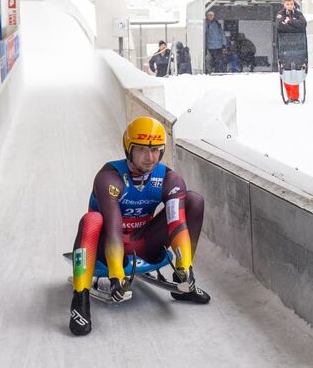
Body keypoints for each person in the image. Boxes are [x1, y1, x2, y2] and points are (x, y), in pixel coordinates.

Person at [69, 117, 209, 336]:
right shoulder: (109, 177)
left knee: (193, 200)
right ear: (128, 149)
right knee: (91, 220)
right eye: (142, 149)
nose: (150, 157)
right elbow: (113, 227)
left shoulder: (169, 179)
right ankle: (79, 300)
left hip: (143, 242)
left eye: (156, 150)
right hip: (108, 246)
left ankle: (182, 285)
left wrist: (184, 265)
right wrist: (116, 275)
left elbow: (176, 222)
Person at [276, 0, 307, 101]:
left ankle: (294, 96)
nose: (290, 6)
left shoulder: (298, 13)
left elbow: (304, 25)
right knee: (286, 70)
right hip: (285, 47)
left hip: (298, 46)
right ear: (284, 4)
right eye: (287, 4)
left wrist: (290, 22)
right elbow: (280, 26)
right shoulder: (280, 14)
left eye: (291, 4)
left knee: (297, 70)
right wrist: (295, 27)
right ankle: (289, 95)